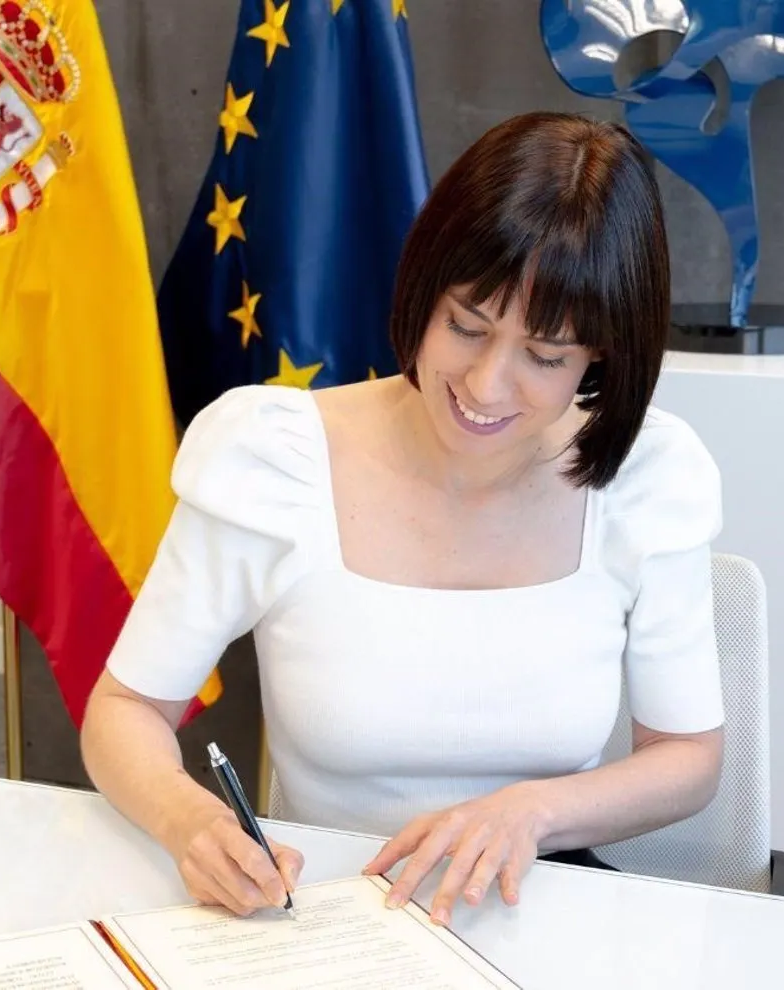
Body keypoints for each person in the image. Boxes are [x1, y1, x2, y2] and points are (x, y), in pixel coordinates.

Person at [80, 110, 725, 929]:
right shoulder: (274, 459)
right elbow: (125, 709)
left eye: (546, 355)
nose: (488, 386)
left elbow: (689, 758)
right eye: (466, 325)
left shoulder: (644, 480)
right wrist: (192, 823)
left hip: (539, 911)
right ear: (424, 289)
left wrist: (533, 811)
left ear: (601, 354)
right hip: (318, 913)